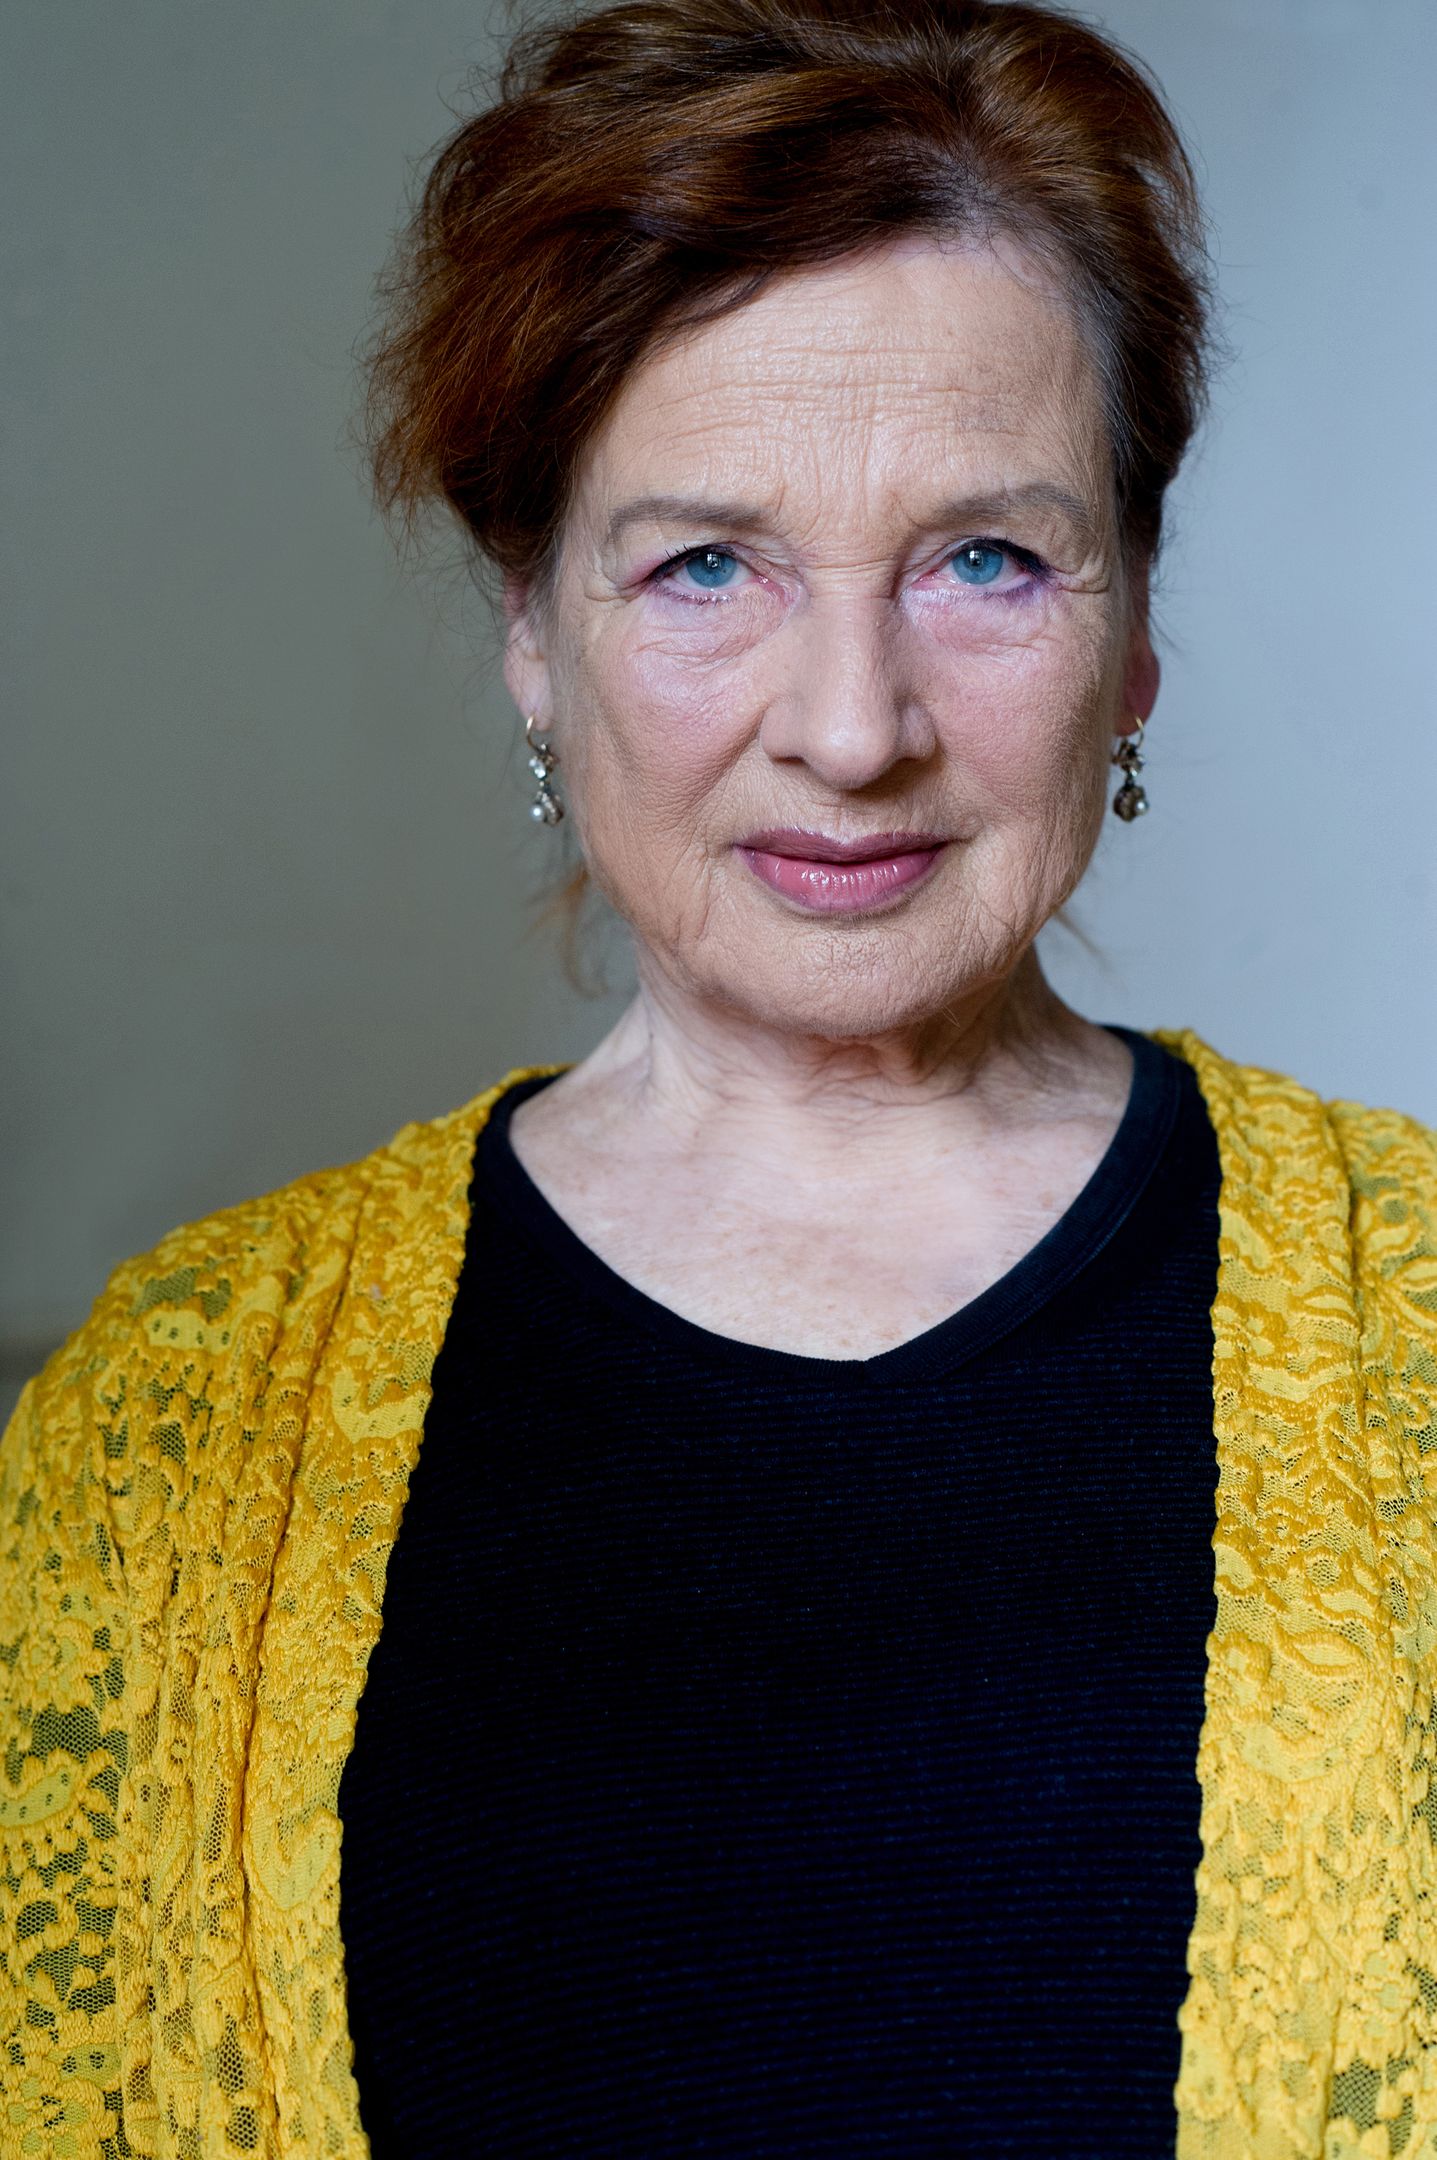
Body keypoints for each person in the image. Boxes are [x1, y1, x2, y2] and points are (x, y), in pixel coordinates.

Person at [2, 0, 1434, 2153]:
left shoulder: (1421, 1326)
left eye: (982, 558)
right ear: (528, 632)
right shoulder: (168, 1433)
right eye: (702, 564)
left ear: (1133, 622)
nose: (848, 726)